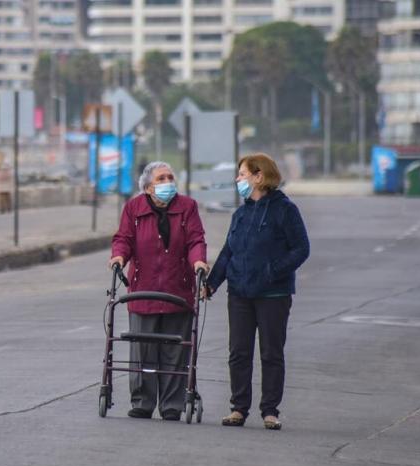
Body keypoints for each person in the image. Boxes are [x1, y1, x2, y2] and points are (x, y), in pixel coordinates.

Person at [206, 153, 309, 431]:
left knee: (271, 353)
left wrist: (271, 271)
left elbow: (301, 249)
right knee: (238, 352)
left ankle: (270, 411)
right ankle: (239, 408)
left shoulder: (285, 210)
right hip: (240, 292)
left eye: (242, 174)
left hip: (273, 294)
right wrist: (212, 282)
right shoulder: (240, 213)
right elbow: (229, 250)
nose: (238, 179)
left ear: (258, 176)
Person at [109, 161, 208, 422]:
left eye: (170, 177)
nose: (168, 183)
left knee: (175, 352)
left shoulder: (188, 207)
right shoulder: (134, 208)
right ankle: (142, 401)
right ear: (148, 187)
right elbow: (124, 239)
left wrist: (198, 260)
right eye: (161, 179)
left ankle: (171, 406)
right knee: (143, 349)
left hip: (177, 288)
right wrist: (118, 257)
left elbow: (195, 239)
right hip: (144, 289)